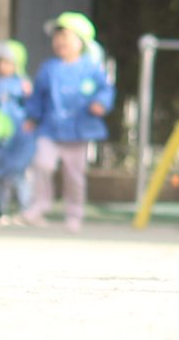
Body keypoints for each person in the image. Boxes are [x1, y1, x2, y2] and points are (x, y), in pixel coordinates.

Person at [26, 13, 114, 232]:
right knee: (42, 164)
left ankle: (74, 213)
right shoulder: (48, 68)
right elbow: (37, 96)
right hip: (50, 128)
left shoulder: (91, 69)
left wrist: (100, 103)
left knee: (74, 175)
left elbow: (105, 90)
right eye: (57, 37)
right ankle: (40, 204)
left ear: (81, 42)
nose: (60, 41)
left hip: (78, 131)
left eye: (66, 36)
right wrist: (31, 116)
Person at [0, 40, 40, 225]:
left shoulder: (22, 84)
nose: (1, 66)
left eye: (6, 62)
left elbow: (31, 105)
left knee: (18, 173)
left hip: (17, 135)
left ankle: (26, 207)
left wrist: (30, 120)